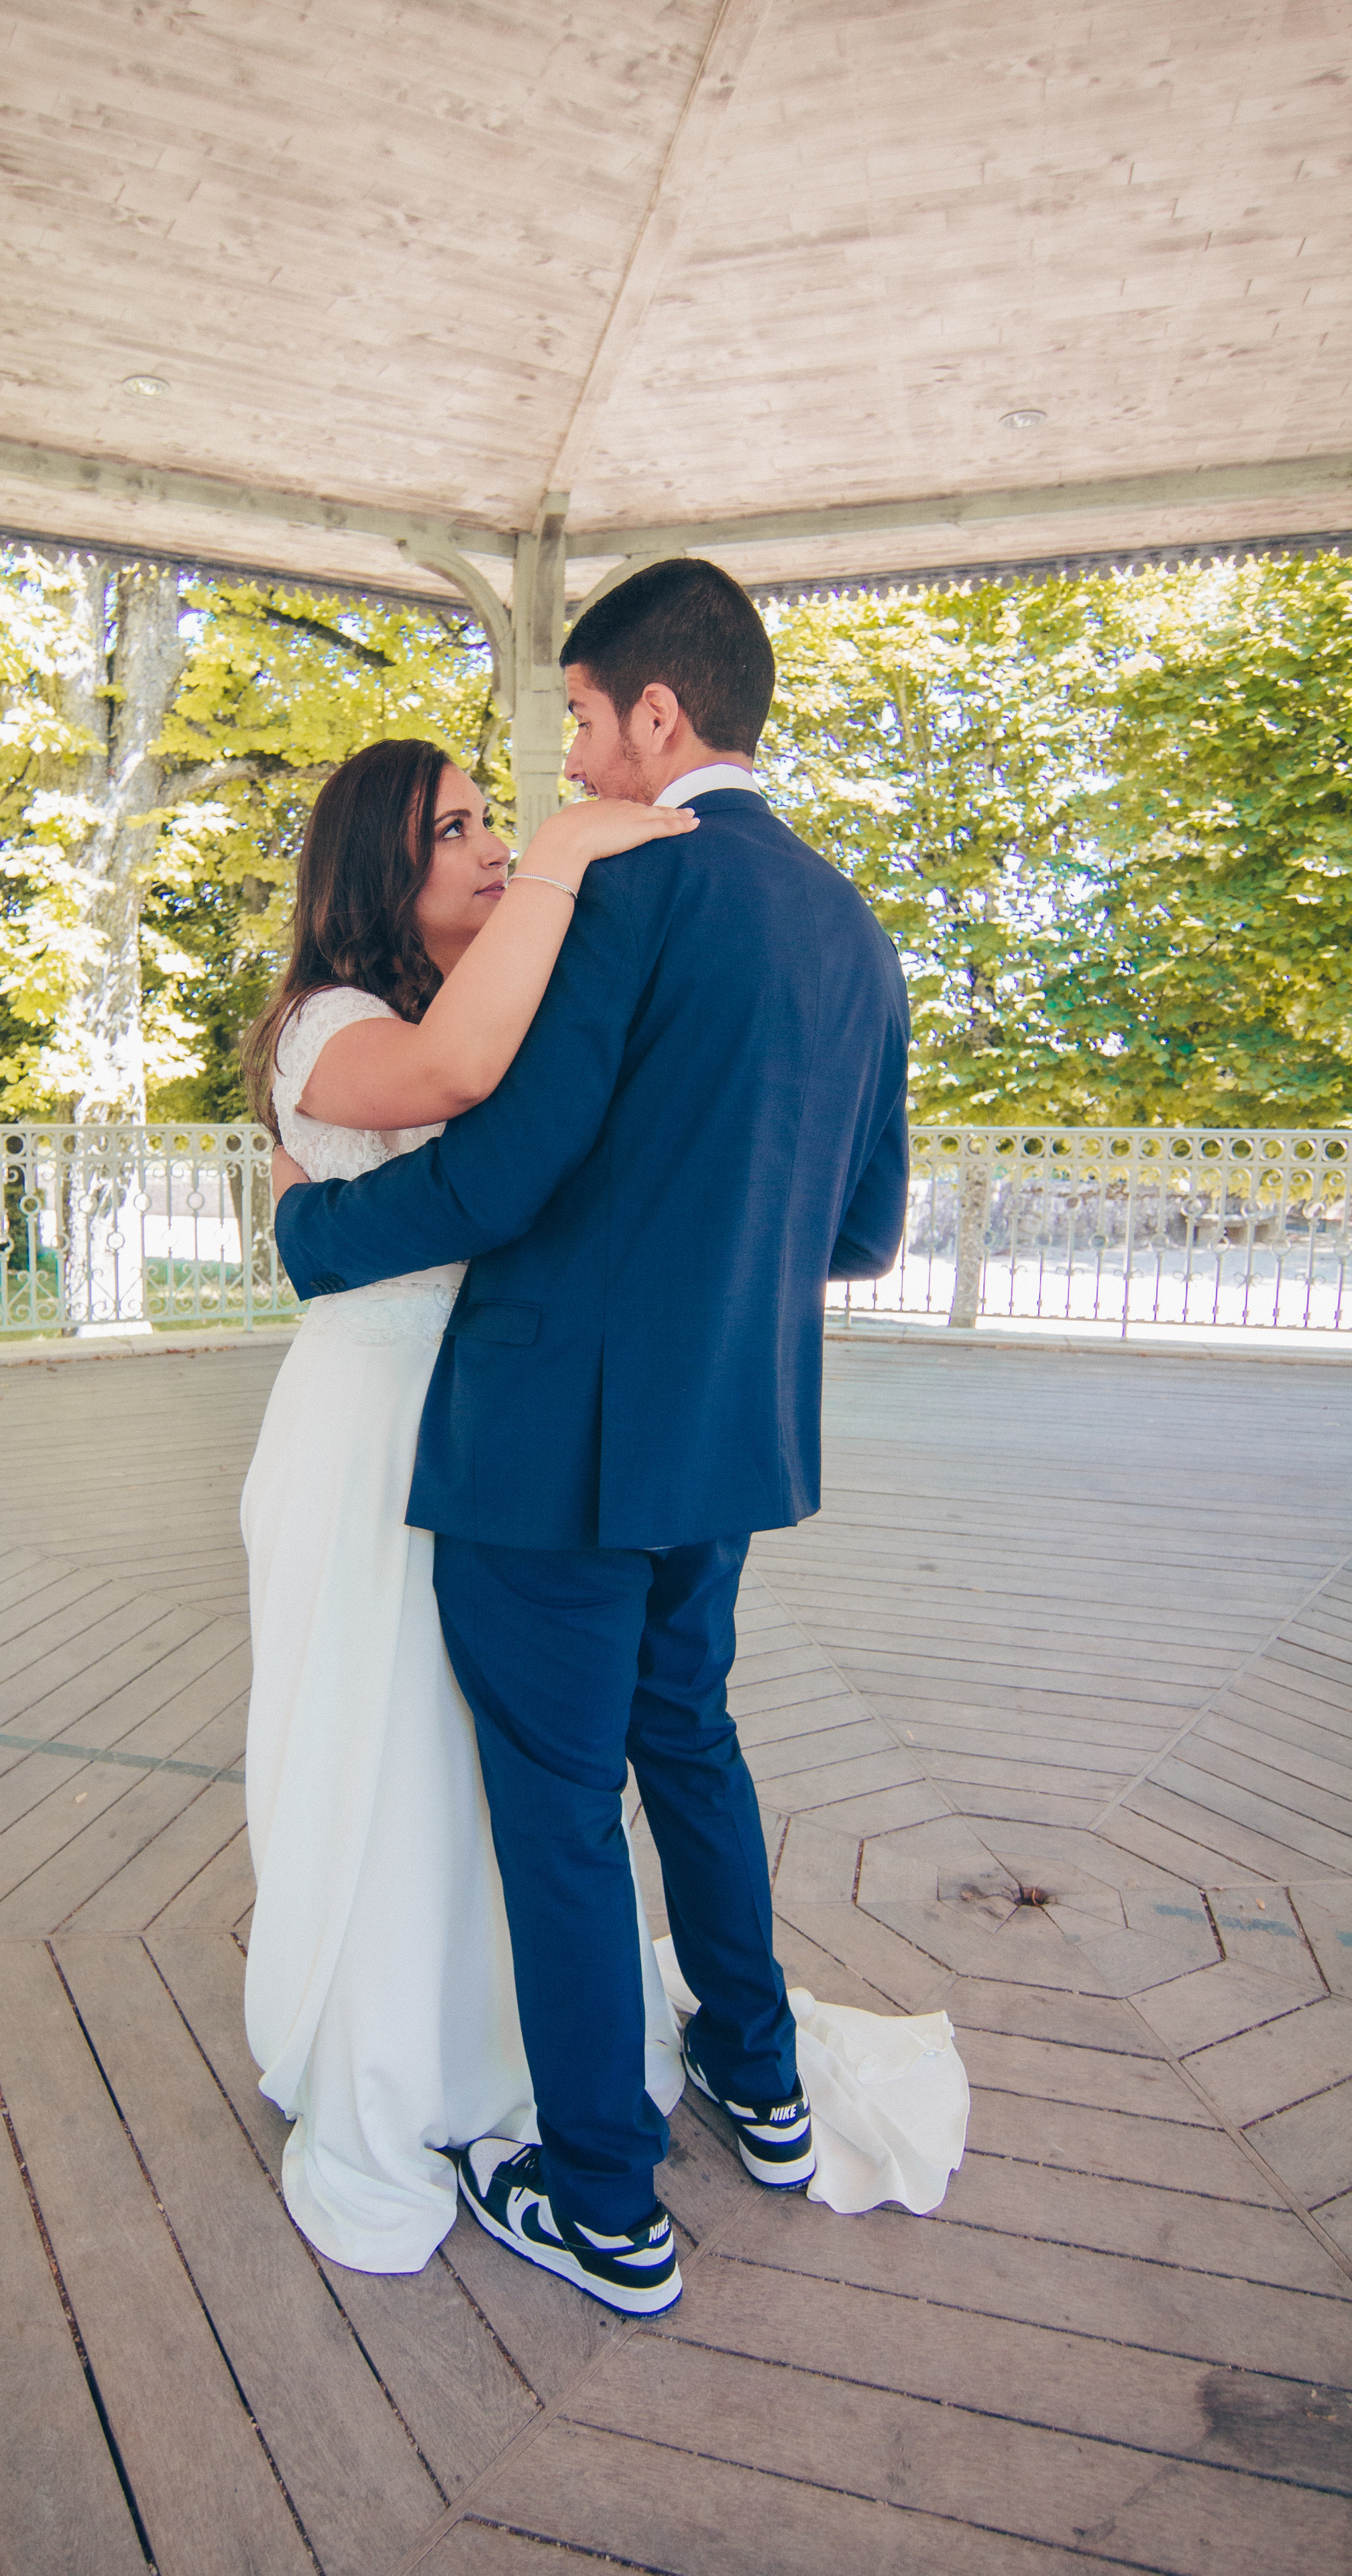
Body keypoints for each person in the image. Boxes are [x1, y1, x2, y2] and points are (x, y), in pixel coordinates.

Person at [270, 557, 935, 2319]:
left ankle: (605, 2208)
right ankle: (767, 2088)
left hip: (551, 1447)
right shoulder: (853, 933)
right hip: (728, 1441)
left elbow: (503, 1165)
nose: (566, 760)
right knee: (691, 1750)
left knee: (562, 1815)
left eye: (575, 716)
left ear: (656, 713)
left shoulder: (626, 891)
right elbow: (863, 1231)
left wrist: (307, 1237)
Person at [239, 737, 697, 2275]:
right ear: (380, 866)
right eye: (457, 828)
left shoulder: (464, 999)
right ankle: (388, 2057)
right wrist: (571, 853)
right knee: (383, 1748)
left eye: (493, 817)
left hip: (489, 1425)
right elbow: (449, 1089)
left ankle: (489, 2046)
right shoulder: (336, 1021)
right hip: (372, 1427)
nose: (492, 842)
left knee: (475, 1758)